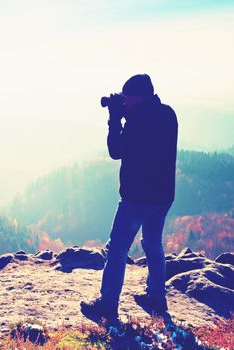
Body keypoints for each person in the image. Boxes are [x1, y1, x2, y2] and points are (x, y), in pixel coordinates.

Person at [80, 74, 178, 320]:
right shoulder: (168, 114)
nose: (124, 99)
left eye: (127, 96)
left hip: (137, 197)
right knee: (153, 245)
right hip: (163, 196)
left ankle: (108, 304)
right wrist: (128, 114)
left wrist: (115, 119)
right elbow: (149, 137)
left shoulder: (137, 121)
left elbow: (116, 150)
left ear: (139, 96)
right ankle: (156, 298)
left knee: (118, 249)